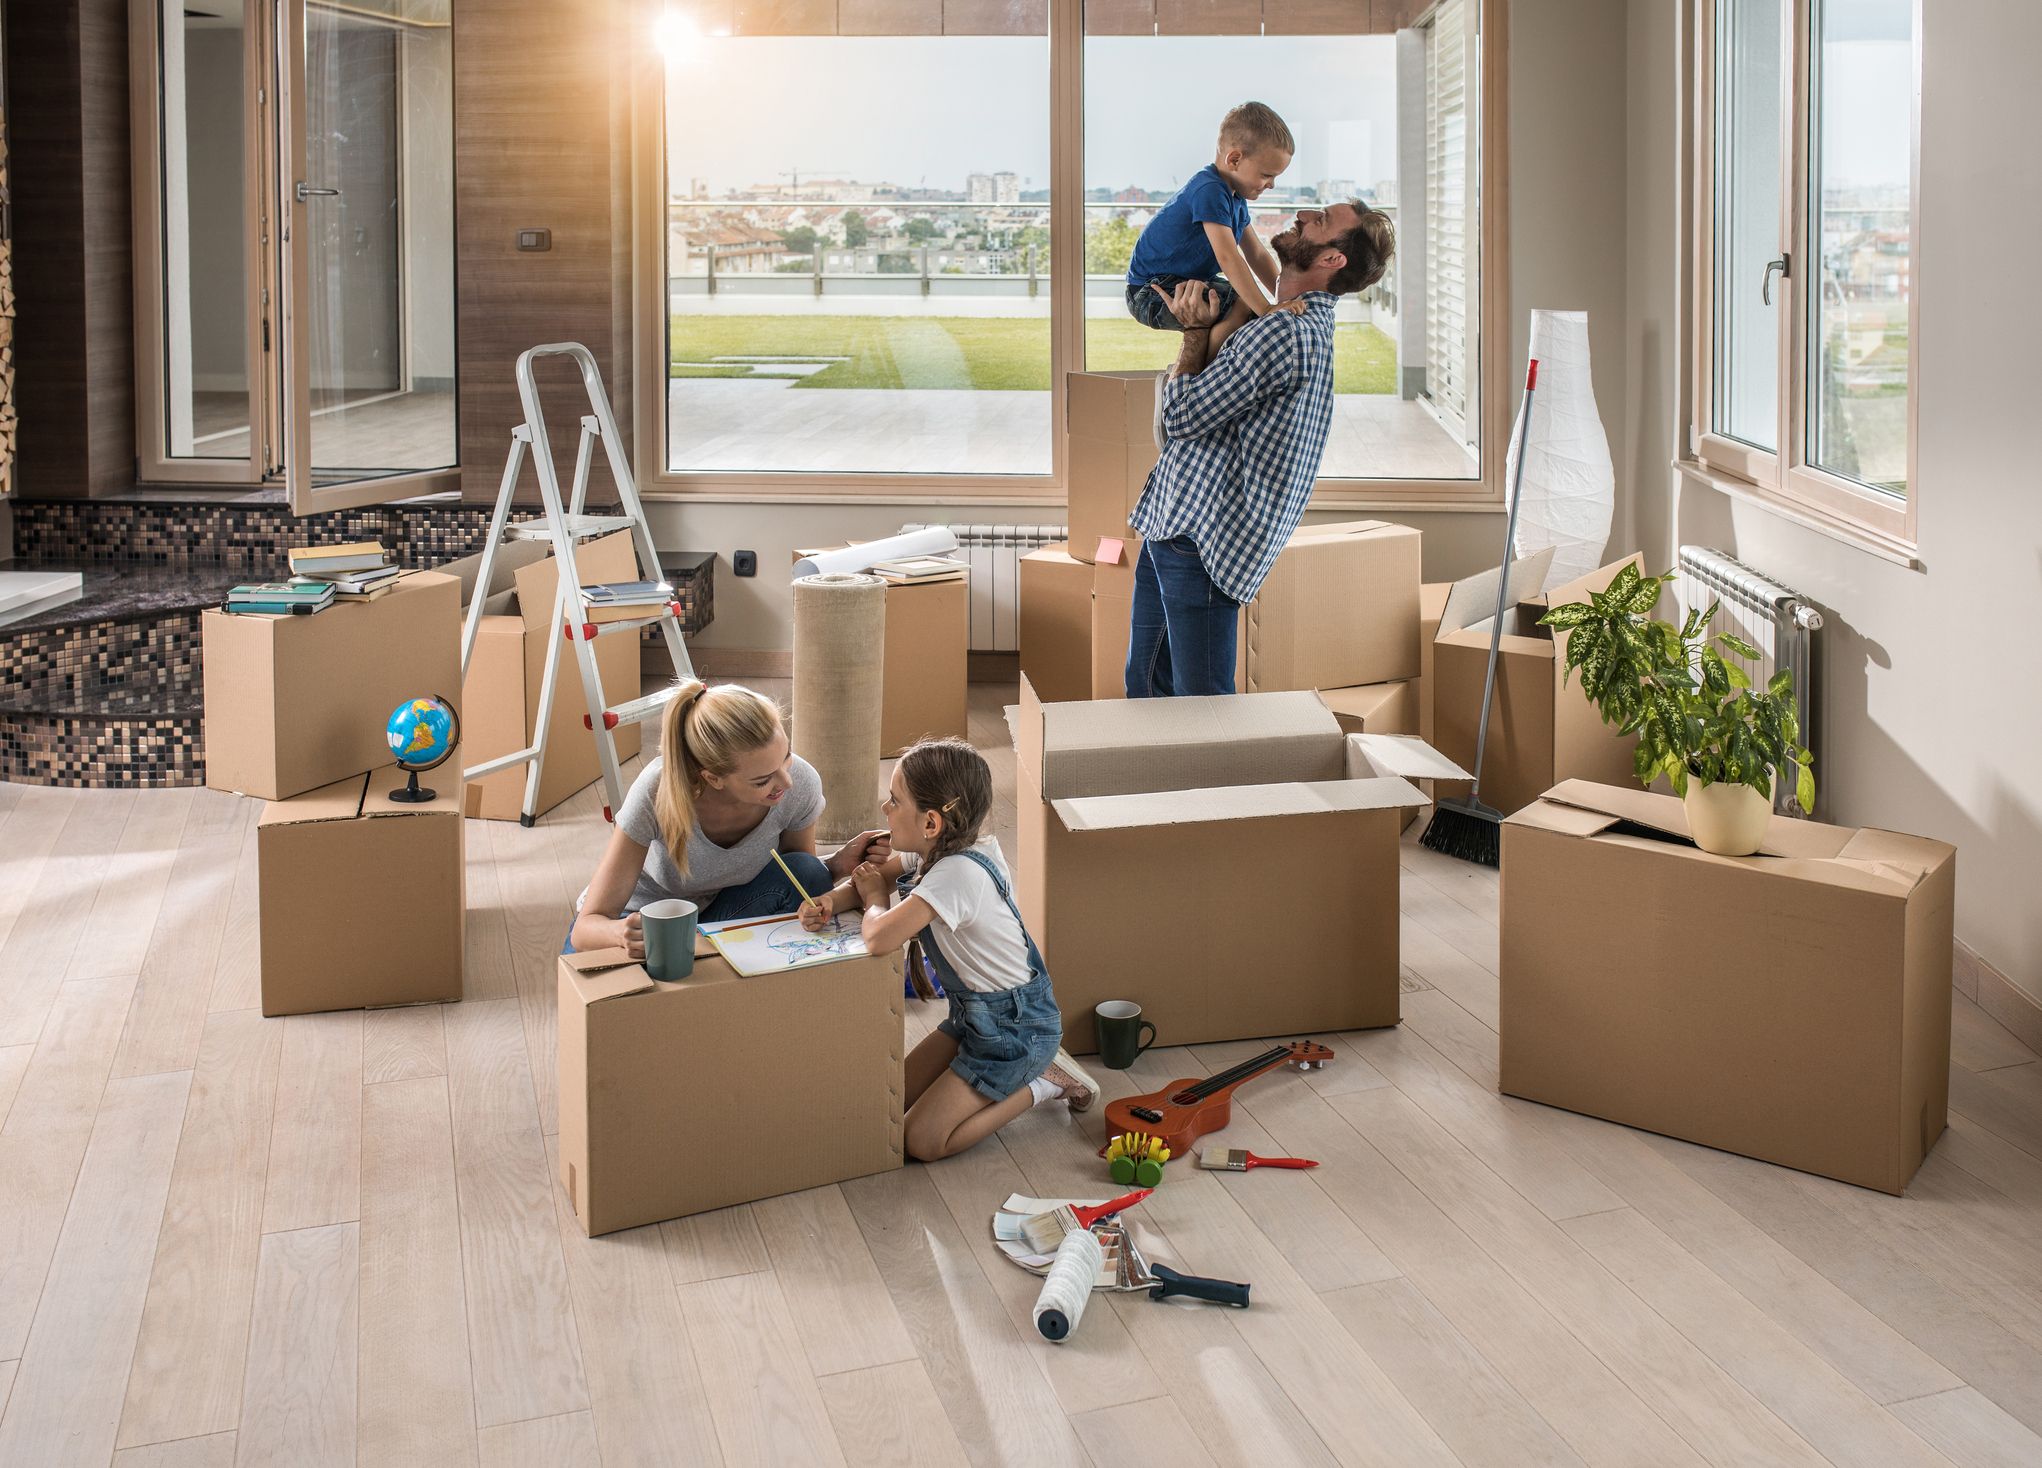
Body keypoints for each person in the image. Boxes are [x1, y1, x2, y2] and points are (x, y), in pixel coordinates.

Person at [1125, 201, 1397, 699]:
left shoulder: (1282, 331)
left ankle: (1208, 781)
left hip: (1200, 542)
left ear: (1332, 259)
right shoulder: (1286, 320)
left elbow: (1179, 417)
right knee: (1146, 687)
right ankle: (1153, 777)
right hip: (1175, 522)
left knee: (1201, 708)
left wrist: (1193, 332)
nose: (1303, 213)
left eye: (1321, 221)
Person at [798, 738, 1098, 1161]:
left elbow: (880, 935)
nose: (885, 809)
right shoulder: (944, 849)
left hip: (1014, 1030)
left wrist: (873, 901)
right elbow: (874, 875)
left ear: (932, 823)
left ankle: (1043, 1084)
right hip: (973, 1018)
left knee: (920, 1141)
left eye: (894, 800)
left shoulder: (956, 873)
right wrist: (833, 900)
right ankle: (1021, 1077)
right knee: (889, 1100)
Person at [566, 680, 886, 957]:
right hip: (641, 925)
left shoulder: (799, 782)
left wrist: (837, 865)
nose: (786, 783)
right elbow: (586, 929)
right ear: (713, 778)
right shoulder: (656, 792)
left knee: (810, 871)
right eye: (762, 780)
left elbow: (799, 879)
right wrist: (624, 935)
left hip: (719, 916)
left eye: (785, 758)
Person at [1125, 102, 1305, 359]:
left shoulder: (1235, 198)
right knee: (1243, 306)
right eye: (1267, 175)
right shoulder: (1210, 190)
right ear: (1234, 159)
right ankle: (1202, 378)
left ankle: (1213, 371)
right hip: (1150, 291)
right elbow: (1228, 256)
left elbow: (1257, 255)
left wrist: (1284, 296)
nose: (1272, 185)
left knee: (1249, 308)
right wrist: (1266, 308)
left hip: (1180, 282)